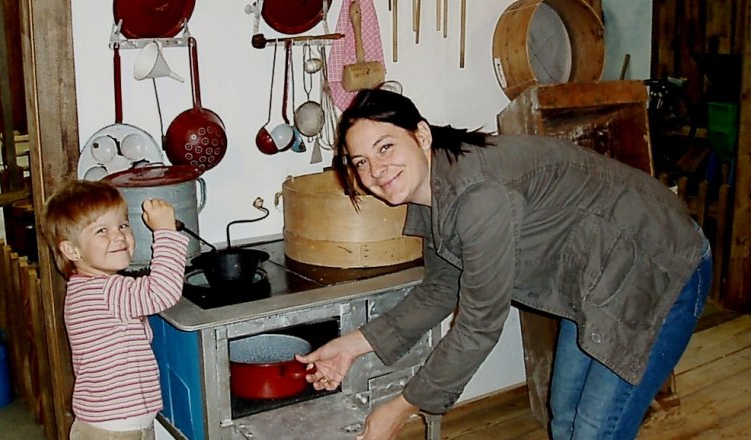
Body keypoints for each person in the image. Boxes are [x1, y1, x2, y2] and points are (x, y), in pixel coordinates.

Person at [295, 89, 712, 440]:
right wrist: (351, 345)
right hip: (599, 274)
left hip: (657, 264)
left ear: (420, 135)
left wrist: (402, 407)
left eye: (385, 147)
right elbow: (442, 289)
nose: (375, 170)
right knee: (564, 413)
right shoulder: (433, 192)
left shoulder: (478, 196)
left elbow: (478, 326)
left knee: (593, 430)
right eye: (361, 161)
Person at [39, 180, 189, 440]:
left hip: (113, 426)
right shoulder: (106, 292)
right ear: (72, 250)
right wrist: (166, 231)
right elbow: (163, 291)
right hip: (115, 432)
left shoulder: (88, 288)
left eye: (122, 225)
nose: (119, 235)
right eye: (101, 231)